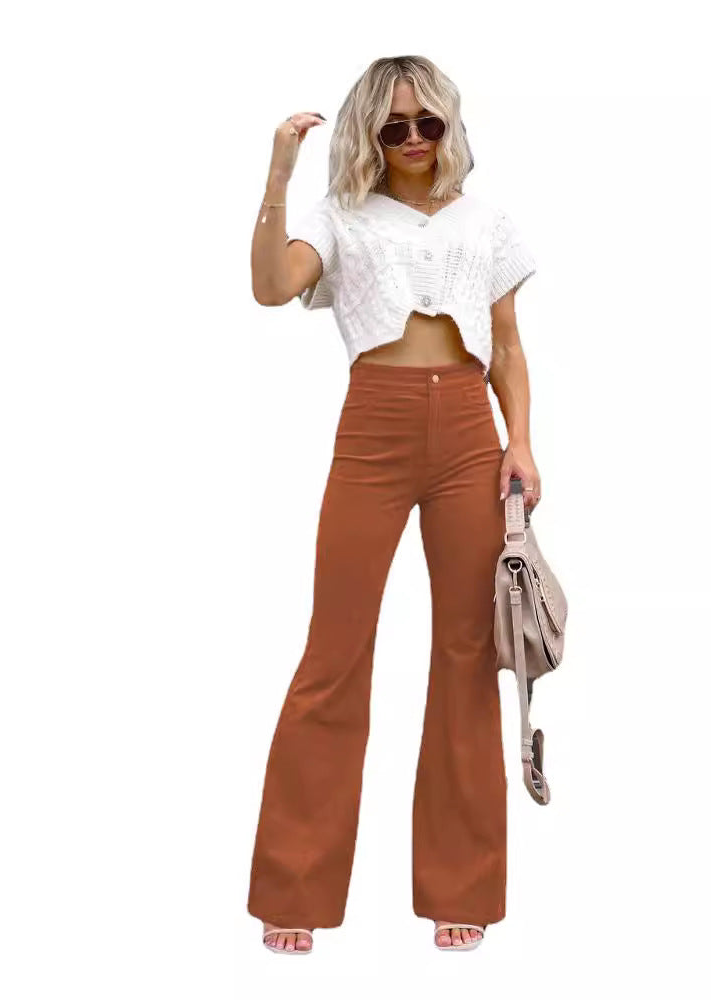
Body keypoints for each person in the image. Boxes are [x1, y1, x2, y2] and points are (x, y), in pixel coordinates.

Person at [247, 55, 541, 955]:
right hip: (372, 427)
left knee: (466, 655)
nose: (413, 139)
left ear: (449, 125)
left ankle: (462, 888)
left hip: (468, 433)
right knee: (334, 652)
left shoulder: (486, 219)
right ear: (370, 134)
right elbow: (271, 286)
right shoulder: (340, 214)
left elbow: (507, 346)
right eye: (393, 126)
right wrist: (278, 175)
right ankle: (294, 888)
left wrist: (521, 443)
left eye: (427, 123)